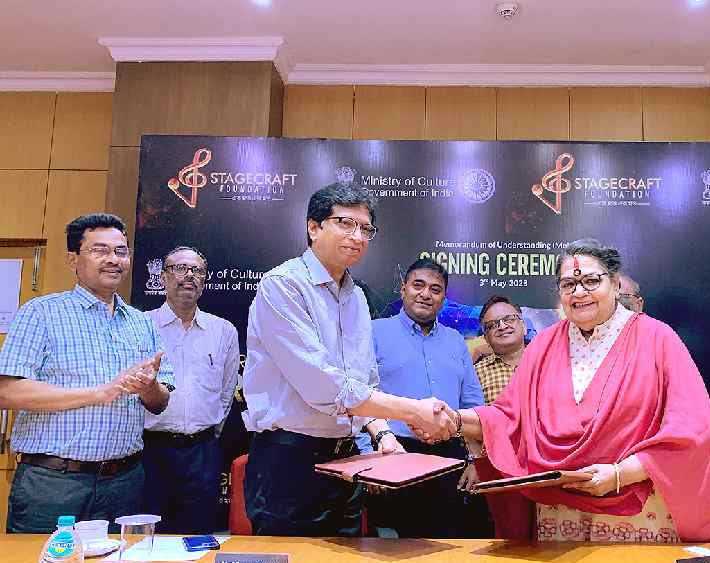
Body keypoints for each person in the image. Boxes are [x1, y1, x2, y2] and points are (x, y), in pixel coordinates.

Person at [425, 239, 710, 543]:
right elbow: (507, 417)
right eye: (569, 283)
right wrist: (454, 418)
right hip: (560, 513)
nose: (579, 292)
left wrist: (621, 474)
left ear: (614, 283)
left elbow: (692, 429)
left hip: (637, 509)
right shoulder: (544, 345)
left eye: (591, 281)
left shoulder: (658, 339)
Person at [241, 182, 457, 537]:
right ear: (314, 227)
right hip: (290, 462)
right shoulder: (282, 286)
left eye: (365, 228)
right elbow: (322, 385)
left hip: (347, 462)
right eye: (345, 223)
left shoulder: (356, 296)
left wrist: (383, 432)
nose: (357, 236)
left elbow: (364, 380)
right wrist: (411, 411)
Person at [0, 213, 173, 533]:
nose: (113, 259)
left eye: (121, 251)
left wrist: (149, 387)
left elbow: (160, 401)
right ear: (72, 259)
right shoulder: (41, 313)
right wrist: (101, 393)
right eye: (99, 250)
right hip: (52, 483)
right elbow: (7, 392)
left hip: (124, 481)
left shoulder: (142, 322)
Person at [364, 258, 486, 538]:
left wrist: (475, 459)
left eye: (435, 289)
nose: (426, 294)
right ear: (403, 289)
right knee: (395, 554)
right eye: (418, 285)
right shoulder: (375, 332)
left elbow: (473, 404)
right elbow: (360, 396)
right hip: (392, 454)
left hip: (449, 458)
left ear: (443, 298)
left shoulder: (456, 340)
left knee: (448, 548)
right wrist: (369, 457)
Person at [143, 246, 239, 534]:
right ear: (163, 277)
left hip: (203, 453)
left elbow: (226, 391)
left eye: (197, 271)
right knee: (148, 540)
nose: (189, 276)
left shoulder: (223, 331)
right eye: (180, 268)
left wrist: (207, 432)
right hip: (150, 451)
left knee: (198, 539)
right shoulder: (140, 325)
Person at [474, 295, 526, 406]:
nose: (502, 326)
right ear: (486, 338)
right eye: (492, 325)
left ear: (524, 327)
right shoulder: (475, 374)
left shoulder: (546, 363)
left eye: (509, 319)